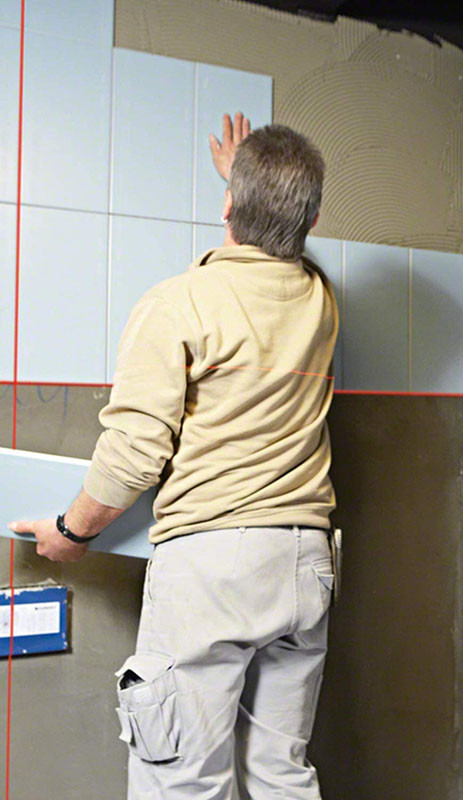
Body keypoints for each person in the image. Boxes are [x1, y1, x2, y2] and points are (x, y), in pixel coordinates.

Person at [9, 112, 339, 799]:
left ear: (227, 208)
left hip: (214, 569)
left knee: (182, 781)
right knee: (282, 775)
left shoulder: (178, 303)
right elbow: (280, 249)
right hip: (305, 561)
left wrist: (71, 532)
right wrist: (251, 188)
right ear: (309, 221)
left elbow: (133, 452)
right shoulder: (319, 301)